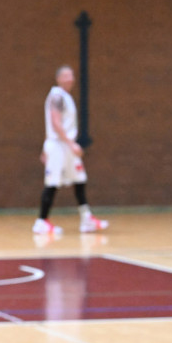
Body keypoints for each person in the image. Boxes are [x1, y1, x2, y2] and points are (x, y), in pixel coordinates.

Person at [32, 65, 109, 235]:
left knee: (80, 179)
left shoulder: (65, 97)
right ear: (58, 78)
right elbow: (55, 123)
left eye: (71, 76)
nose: (70, 79)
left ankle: (86, 218)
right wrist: (70, 143)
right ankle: (41, 221)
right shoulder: (57, 96)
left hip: (64, 145)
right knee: (52, 183)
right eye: (66, 76)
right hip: (60, 145)